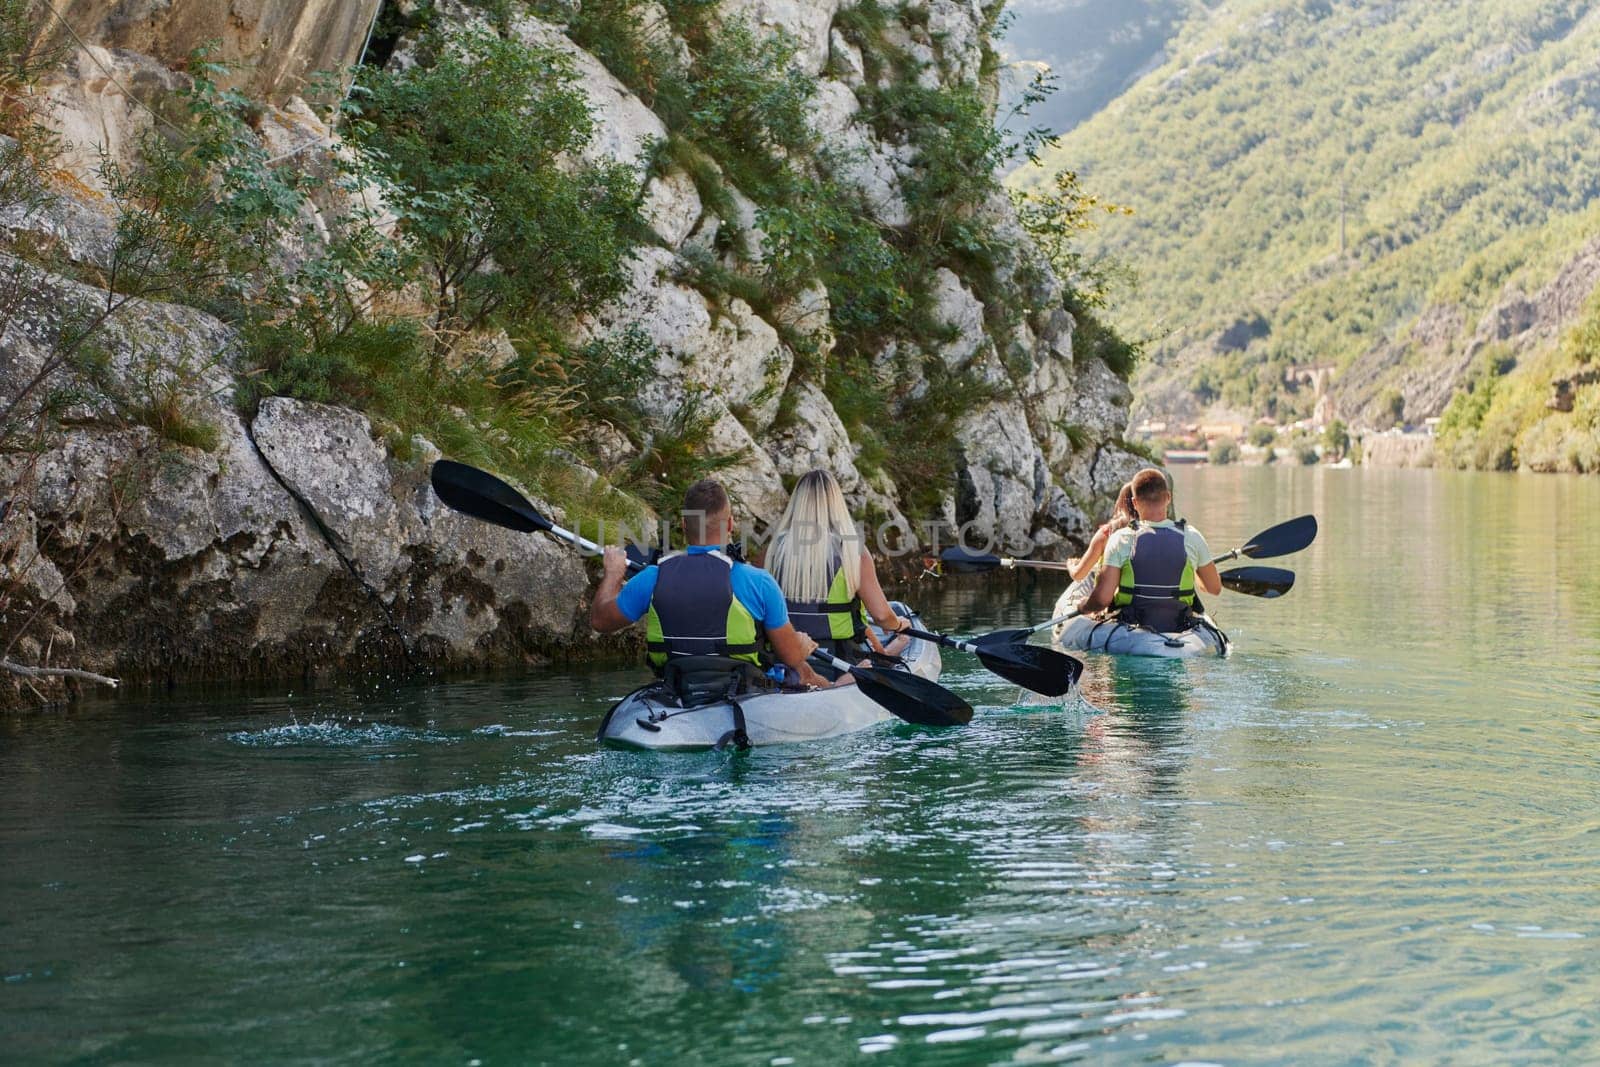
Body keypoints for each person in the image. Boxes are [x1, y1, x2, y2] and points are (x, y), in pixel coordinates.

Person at [589, 478, 831, 689]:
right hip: (745, 692)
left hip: (677, 688)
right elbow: (790, 656)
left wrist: (613, 573)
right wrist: (801, 644)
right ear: (729, 525)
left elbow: (600, 621)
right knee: (805, 673)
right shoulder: (759, 582)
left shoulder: (651, 577)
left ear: (684, 526)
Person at [763, 469, 910, 662]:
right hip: (837, 657)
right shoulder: (852, 550)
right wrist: (898, 625)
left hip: (783, 654)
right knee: (898, 643)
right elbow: (882, 616)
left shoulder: (773, 549)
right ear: (836, 503)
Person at [1080, 467, 1222, 632]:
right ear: (1168, 497)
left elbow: (1102, 600)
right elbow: (1214, 588)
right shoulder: (1192, 537)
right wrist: (1196, 572)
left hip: (1130, 627)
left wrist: (1083, 605)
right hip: (1180, 627)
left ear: (1134, 502)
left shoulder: (1120, 539)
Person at [1067, 480, 1137, 583]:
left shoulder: (1107, 532)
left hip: (1112, 597)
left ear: (1121, 503)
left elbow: (1078, 575)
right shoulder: (1153, 533)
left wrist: (1071, 565)